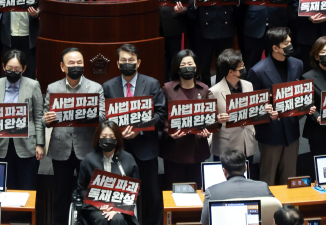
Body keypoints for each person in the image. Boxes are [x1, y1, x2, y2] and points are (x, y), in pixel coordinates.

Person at [102, 44, 166, 225]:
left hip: (146, 149)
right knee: (122, 196)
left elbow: (161, 115)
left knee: (152, 196)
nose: (127, 63)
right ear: (117, 63)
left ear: (138, 63)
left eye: (131, 60)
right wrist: (117, 133)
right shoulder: (108, 86)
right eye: (123, 60)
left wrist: (139, 129)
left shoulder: (152, 83)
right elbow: (104, 118)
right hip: (118, 150)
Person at [44, 47, 105, 225]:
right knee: (61, 195)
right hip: (60, 148)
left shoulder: (95, 87)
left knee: (89, 194)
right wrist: (46, 119)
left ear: (84, 65)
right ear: (62, 66)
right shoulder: (53, 88)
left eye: (79, 63)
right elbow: (44, 118)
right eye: (71, 63)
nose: (76, 66)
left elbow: (103, 117)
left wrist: (88, 114)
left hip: (87, 148)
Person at [248, 27, 316, 186]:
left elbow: (300, 93)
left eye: (290, 41)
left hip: (292, 131)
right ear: (275, 47)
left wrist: (305, 106)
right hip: (270, 134)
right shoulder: (257, 71)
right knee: (268, 179)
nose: (290, 45)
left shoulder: (297, 64)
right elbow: (253, 107)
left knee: (289, 178)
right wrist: (265, 111)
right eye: (286, 43)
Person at [0, 50, 44, 190]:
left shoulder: (33, 85)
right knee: (7, 186)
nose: (13, 71)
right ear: (3, 67)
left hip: (27, 144)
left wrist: (40, 144)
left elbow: (39, 116)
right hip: (3, 144)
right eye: (9, 68)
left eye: (17, 69)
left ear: (24, 69)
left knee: (27, 187)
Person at [161, 49, 211, 189]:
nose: (187, 68)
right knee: (174, 190)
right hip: (175, 149)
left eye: (190, 64)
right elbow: (161, 115)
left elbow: (210, 117)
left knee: (196, 190)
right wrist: (168, 131)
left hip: (197, 149)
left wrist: (208, 130)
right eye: (183, 65)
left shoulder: (204, 89)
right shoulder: (167, 88)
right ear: (177, 69)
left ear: (196, 67)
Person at [210, 49, 269, 164]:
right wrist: (217, 120)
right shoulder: (214, 91)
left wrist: (264, 110)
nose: (244, 68)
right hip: (226, 146)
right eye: (241, 66)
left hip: (247, 142)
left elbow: (252, 111)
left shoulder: (248, 85)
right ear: (231, 72)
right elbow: (208, 123)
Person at [77, 121, 140, 225]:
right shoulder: (88, 160)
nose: (107, 139)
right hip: (95, 208)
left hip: (121, 207)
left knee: (117, 219)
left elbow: (135, 191)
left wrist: (117, 209)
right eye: (104, 136)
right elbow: (82, 188)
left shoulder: (128, 159)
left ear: (117, 139)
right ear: (98, 138)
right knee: (102, 219)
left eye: (111, 136)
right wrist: (97, 205)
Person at [200, 149, 274, 225]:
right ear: (246, 168)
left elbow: (204, 222)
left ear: (224, 171)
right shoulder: (263, 187)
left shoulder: (212, 192)